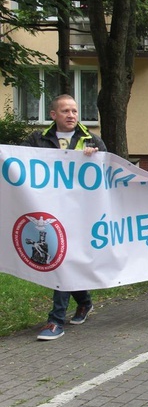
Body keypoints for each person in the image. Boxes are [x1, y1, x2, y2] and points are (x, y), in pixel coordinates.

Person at [21, 94, 106, 341]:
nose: (71, 116)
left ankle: (55, 320)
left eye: (75, 111)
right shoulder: (37, 139)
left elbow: (105, 173)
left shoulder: (92, 140)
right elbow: (18, 162)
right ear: (53, 115)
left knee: (61, 259)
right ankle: (84, 301)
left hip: (79, 213)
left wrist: (95, 157)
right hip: (49, 211)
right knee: (61, 259)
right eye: (66, 111)